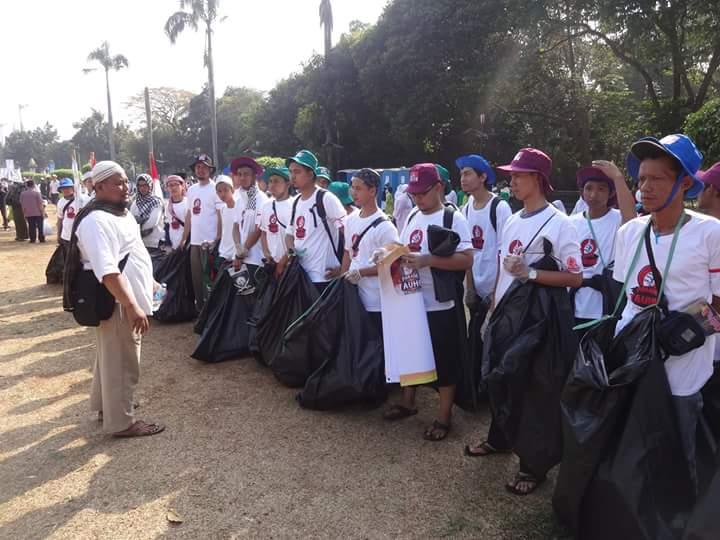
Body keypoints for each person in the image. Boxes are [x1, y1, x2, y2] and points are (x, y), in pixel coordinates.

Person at [473, 148, 583, 495]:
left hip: (540, 319)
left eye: (519, 175)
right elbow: (503, 266)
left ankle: (533, 466)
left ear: (538, 179)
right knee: (499, 376)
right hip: (507, 313)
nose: (512, 181)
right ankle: (500, 438)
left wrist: (532, 272)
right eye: (512, 175)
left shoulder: (561, 224)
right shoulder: (512, 219)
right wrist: (492, 305)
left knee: (537, 387)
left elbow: (575, 278)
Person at [614, 134, 720, 493]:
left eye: (656, 178)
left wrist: (687, 330)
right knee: (628, 446)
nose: (645, 187)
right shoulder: (629, 232)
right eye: (641, 178)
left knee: (677, 454)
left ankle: (676, 517)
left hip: (682, 371)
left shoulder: (711, 233)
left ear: (685, 182)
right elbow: (626, 296)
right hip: (632, 364)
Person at [65, 160, 164, 437]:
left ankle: (105, 406)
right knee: (123, 360)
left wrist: (150, 283)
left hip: (125, 297)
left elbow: (133, 250)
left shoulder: (119, 212)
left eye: (125, 181)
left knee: (109, 356)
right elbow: (108, 271)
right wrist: (132, 306)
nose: (125, 187)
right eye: (117, 183)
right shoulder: (96, 221)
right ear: (98, 187)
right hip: (116, 302)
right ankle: (122, 422)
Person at [383, 163, 473, 441]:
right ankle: (408, 401)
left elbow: (467, 259)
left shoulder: (452, 218)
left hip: (440, 303)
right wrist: (385, 255)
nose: (417, 199)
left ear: (438, 188)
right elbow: (401, 247)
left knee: (445, 359)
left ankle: (443, 417)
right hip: (410, 301)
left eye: (422, 193)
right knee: (411, 352)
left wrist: (428, 261)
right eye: (414, 194)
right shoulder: (411, 214)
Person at [569, 161, 636, 327]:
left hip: (606, 302)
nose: (594, 194)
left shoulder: (618, 219)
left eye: (601, 189)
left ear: (611, 193)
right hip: (572, 304)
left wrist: (618, 178)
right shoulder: (570, 223)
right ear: (582, 192)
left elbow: (631, 219)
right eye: (589, 188)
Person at [340, 168, 400, 328]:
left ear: (372, 190)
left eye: (358, 188)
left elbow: (394, 263)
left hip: (376, 301)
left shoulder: (385, 227)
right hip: (354, 297)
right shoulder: (350, 219)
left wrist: (362, 272)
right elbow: (348, 252)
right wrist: (342, 279)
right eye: (352, 187)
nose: (353, 192)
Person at [281, 150, 347, 292]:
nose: (292, 176)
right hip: (300, 277)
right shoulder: (295, 201)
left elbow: (348, 233)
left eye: (297, 172)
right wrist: (291, 250)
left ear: (311, 174)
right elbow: (289, 234)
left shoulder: (326, 198)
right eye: (291, 172)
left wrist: (344, 268)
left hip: (323, 278)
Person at [455, 154, 512, 316]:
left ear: (483, 177)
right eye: (461, 174)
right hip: (477, 291)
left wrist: (495, 294)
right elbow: (468, 251)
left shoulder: (499, 208)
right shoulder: (465, 209)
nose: (462, 179)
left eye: (467, 173)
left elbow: (505, 252)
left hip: (496, 290)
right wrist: (471, 288)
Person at [185, 154, 221, 311]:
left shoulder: (216, 189)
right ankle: (200, 310)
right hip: (195, 241)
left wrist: (217, 239)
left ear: (210, 170)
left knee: (211, 279)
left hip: (210, 242)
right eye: (198, 167)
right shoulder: (191, 190)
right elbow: (189, 215)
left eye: (204, 167)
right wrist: (183, 238)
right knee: (197, 278)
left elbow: (220, 216)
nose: (201, 170)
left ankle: (212, 312)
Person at [230, 157, 269, 274]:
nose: (242, 177)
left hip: (256, 258)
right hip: (240, 258)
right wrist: (238, 247)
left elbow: (258, 230)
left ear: (254, 176)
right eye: (240, 174)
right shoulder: (238, 199)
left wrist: (243, 251)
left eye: (246, 174)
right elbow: (236, 226)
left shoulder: (261, 199)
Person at [259, 166, 294, 267]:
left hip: (289, 264)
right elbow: (264, 232)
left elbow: (297, 239)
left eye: (276, 181)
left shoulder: (295, 205)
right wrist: (266, 254)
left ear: (287, 184)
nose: (272, 185)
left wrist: (284, 261)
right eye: (270, 181)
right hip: (272, 263)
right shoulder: (266, 206)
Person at [129, 174, 164, 252]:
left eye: (145, 185)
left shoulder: (156, 202)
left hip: (154, 242)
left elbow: (152, 222)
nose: (142, 188)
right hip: (138, 242)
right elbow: (130, 219)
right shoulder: (135, 203)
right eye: (140, 185)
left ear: (150, 186)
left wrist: (138, 227)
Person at [57, 178, 89, 256]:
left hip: (80, 235)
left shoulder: (82, 199)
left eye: (68, 187)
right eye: (63, 188)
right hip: (66, 236)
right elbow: (60, 219)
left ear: (73, 188)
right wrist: (59, 235)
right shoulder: (60, 202)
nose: (66, 190)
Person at [215, 175, 239, 265]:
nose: (222, 194)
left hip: (236, 255)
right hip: (223, 253)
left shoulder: (240, 208)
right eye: (219, 191)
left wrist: (237, 254)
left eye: (226, 190)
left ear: (232, 190)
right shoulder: (223, 209)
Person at [165, 175, 188, 250]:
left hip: (187, 244)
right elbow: (168, 225)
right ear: (167, 188)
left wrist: (184, 240)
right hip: (174, 245)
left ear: (182, 186)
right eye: (170, 185)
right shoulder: (168, 205)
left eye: (176, 184)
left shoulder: (188, 203)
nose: (173, 188)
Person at [20, 179, 45, 243]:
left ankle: (32, 239)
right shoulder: (37, 193)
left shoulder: (22, 194)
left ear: (26, 185)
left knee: (31, 226)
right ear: (33, 185)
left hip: (28, 213)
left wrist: (24, 213)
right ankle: (41, 238)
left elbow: (22, 205)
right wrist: (43, 212)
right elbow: (40, 204)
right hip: (38, 213)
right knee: (40, 226)